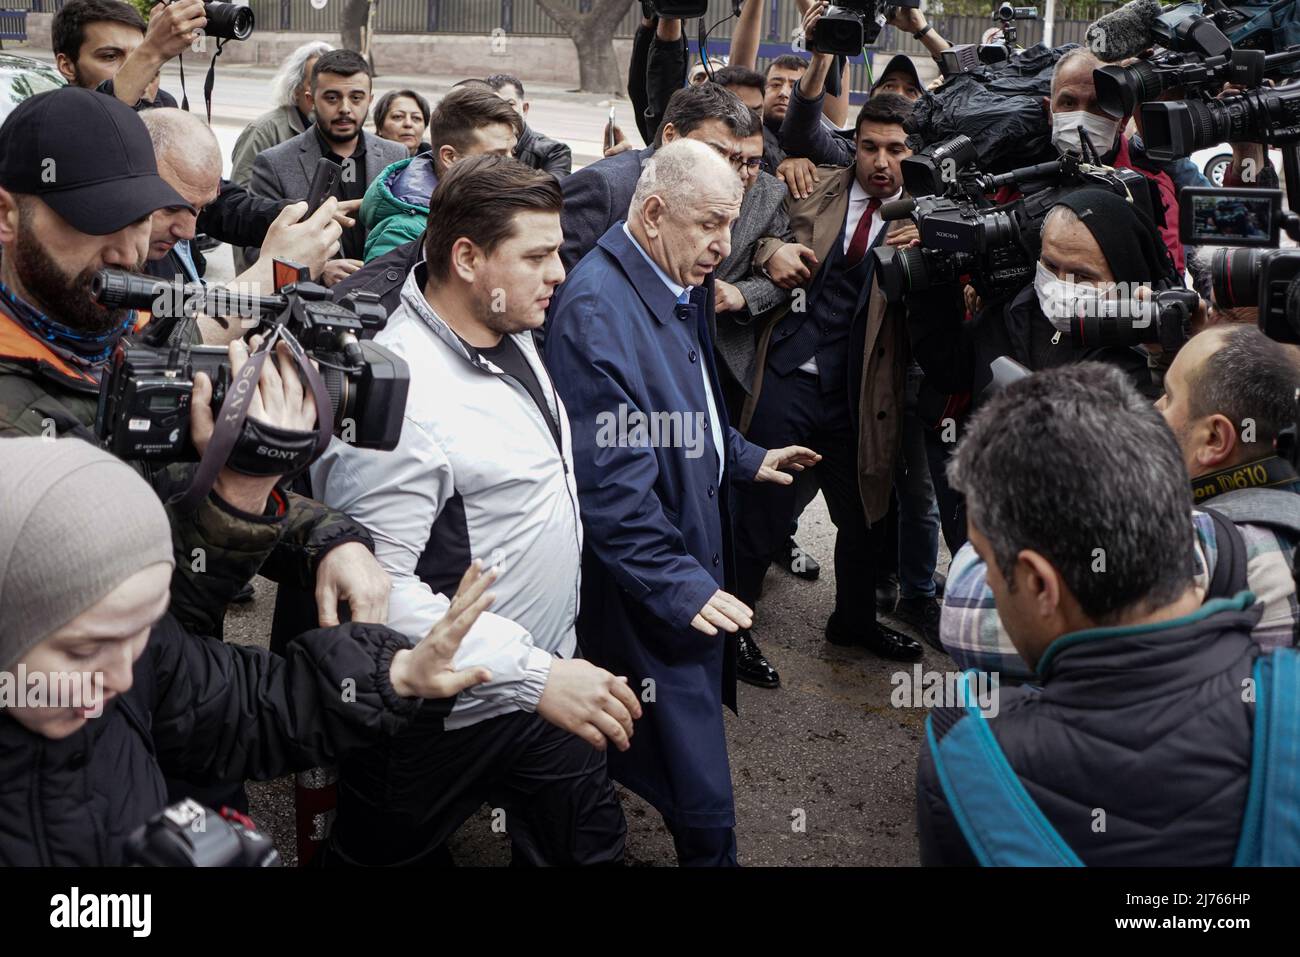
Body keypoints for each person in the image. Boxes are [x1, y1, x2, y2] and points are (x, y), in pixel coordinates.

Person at [312, 155, 640, 867]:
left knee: (591, 851)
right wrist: (533, 672)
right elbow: (379, 592)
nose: (559, 271)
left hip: (545, 686)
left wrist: (551, 666)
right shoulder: (398, 394)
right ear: (466, 257)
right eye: (538, 255)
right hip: (438, 717)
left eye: (558, 251)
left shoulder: (514, 324)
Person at [0, 87, 390, 651]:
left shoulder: (113, 325)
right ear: (8, 217)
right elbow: (136, 646)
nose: (127, 252)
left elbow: (178, 486)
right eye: (93, 220)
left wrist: (328, 537)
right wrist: (241, 493)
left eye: (141, 219)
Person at [0, 436, 500, 866]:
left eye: (143, 631)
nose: (124, 677)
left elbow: (248, 703)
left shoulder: (136, 662)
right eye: (85, 649)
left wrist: (397, 674)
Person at [545, 140, 819, 865]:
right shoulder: (597, 311)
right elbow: (610, 488)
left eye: (731, 226)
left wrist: (747, 457)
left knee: (630, 763)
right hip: (647, 597)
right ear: (656, 210)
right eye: (711, 225)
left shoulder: (678, 276)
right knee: (699, 800)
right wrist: (678, 583)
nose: (724, 247)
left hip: (676, 580)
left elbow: (688, 404)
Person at [917, 362, 1292, 866]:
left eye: (985, 560)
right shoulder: (1287, 702)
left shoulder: (964, 752)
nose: (983, 581)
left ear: (1039, 584)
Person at [942, 324, 1300, 679]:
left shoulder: (1202, 551)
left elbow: (966, 610)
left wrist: (1065, 478)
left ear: (1214, 438)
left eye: (1169, 396)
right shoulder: (1281, 517)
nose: (1153, 408)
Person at [735, 94, 922, 664]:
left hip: (864, 391)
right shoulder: (811, 183)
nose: (881, 162)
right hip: (788, 371)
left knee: (867, 512)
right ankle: (732, 625)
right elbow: (757, 235)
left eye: (895, 149)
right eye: (869, 147)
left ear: (914, 153)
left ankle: (854, 621)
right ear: (855, 146)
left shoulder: (929, 214)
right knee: (759, 504)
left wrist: (926, 253)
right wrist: (773, 251)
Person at [141, 108, 344, 343]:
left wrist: (291, 215)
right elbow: (164, 351)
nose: (188, 232)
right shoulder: (102, 267)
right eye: (171, 208)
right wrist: (270, 273)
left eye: (201, 209)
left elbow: (235, 208)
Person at [558, 81, 754, 272]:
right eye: (715, 151)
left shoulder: (715, 200)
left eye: (734, 158)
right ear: (670, 136)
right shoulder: (603, 186)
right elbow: (555, 284)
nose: (725, 167)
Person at [249, 50, 408, 285]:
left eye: (356, 98)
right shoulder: (274, 164)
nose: (345, 108)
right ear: (311, 99)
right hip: (309, 311)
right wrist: (316, 269)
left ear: (370, 100)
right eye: (332, 98)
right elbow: (255, 254)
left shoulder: (397, 155)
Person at [358, 84, 522, 263]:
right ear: (450, 157)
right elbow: (382, 290)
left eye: (512, 152)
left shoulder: (496, 202)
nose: (510, 165)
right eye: (496, 155)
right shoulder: (405, 232)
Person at [229, 40, 334, 270]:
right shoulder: (264, 132)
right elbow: (240, 209)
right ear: (298, 89)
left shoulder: (337, 134)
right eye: (315, 83)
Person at [486, 73, 573, 177]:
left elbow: (552, 190)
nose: (501, 112)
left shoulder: (553, 152)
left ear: (524, 109)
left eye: (509, 104)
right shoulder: (474, 146)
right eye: (492, 105)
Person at [372, 88, 431, 157]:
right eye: (398, 117)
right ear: (379, 126)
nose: (408, 124)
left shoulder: (436, 162)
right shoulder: (367, 161)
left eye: (416, 118)